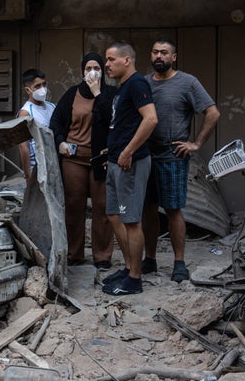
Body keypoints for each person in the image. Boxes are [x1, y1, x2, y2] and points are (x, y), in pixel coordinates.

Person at [141, 40, 220, 283]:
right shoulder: (143, 82)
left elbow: (213, 112)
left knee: (174, 209)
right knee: (148, 209)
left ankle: (179, 263)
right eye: (155, 52)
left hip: (172, 155)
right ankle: (150, 259)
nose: (159, 56)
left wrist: (195, 144)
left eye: (164, 52)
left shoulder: (187, 82)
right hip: (145, 154)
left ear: (174, 57)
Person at [49, 53, 117, 269]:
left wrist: (98, 93)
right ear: (82, 71)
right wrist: (60, 141)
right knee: (73, 206)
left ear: (103, 71)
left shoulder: (110, 93)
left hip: (101, 159)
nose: (92, 72)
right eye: (88, 68)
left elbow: (110, 117)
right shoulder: (72, 94)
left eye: (96, 68)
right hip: (74, 159)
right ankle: (74, 253)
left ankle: (103, 256)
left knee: (102, 207)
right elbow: (56, 122)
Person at [100, 41, 158, 296]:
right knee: (114, 215)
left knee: (132, 221)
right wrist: (113, 150)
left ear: (127, 60)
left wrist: (127, 151)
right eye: (106, 60)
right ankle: (128, 267)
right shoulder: (122, 88)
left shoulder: (137, 84)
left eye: (111, 59)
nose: (107, 64)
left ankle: (135, 279)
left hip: (130, 163)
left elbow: (151, 119)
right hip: (115, 161)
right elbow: (124, 124)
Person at [18, 68, 56, 181]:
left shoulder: (52, 107)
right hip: (37, 168)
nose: (42, 89)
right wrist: (27, 174)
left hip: (54, 165)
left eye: (44, 84)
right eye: (37, 86)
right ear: (28, 90)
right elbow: (23, 146)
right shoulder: (26, 112)